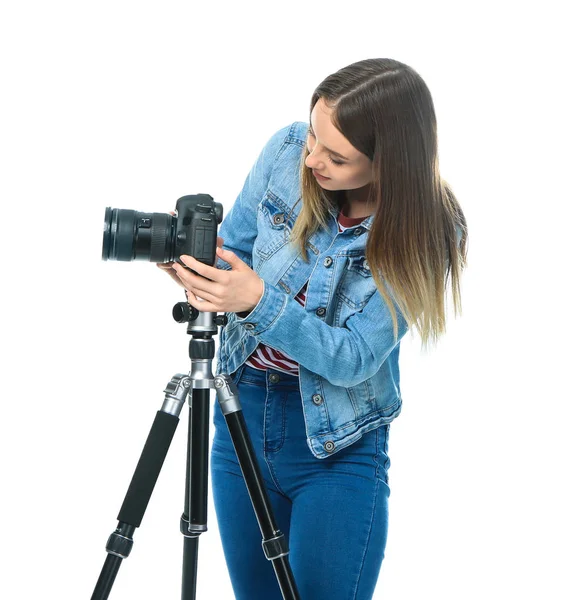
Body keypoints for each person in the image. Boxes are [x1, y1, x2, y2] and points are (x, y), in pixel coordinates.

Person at [158, 58, 468, 600]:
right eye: (314, 136)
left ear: (388, 162)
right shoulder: (287, 150)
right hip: (242, 419)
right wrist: (205, 273)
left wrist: (256, 300)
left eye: (337, 156)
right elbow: (237, 245)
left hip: (337, 445)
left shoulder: (428, 228)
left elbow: (352, 358)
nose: (312, 158)